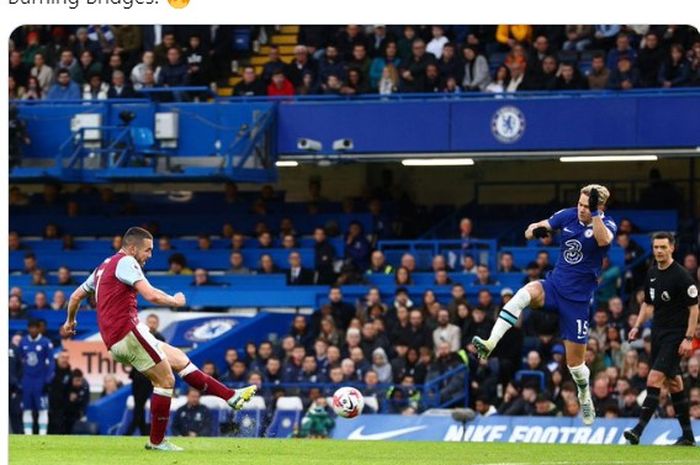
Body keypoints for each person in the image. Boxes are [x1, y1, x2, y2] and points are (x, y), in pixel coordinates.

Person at [63, 227, 256, 451]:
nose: (150, 255)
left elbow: (76, 296)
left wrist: (70, 321)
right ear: (132, 248)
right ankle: (157, 442)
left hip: (119, 336)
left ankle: (230, 396)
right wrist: (175, 301)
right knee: (165, 381)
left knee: (180, 359)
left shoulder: (102, 267)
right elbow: (151, 294)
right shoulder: (126, 262)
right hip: (127, 332)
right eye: (148, 250)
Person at [473, 184, 618, 426]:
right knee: (523, 294)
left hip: (578, 302)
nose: (581, 209)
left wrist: (594, 215)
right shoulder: (568, 214)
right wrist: (536, 231)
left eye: (587, 206)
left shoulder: (607, 223)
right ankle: (490, 342)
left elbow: (603, 240)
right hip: (553, 287)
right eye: (580, 204)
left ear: (599, 207)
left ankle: (584, 395)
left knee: (576, 366)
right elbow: (530, 230)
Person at [624, 232, 698, 446]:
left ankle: (638, 430)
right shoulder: (653, 273)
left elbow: (694, 310)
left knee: (654, 379)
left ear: (672, 248)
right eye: (656, 247)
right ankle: (687, 436)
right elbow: (647, 304)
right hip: (658, 333)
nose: (658, 251)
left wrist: (688, 338)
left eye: (663, 247)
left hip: (676, 336)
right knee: (674, 384)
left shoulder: (682, 276)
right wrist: (637, 326)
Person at [17, 319, 55, 434]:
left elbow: (51, 363)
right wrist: (20, 380)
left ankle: (42, 435)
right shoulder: (23, 342)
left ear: (39, 329)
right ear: (28, 329)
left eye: (35, 327)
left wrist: (48, 381)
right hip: (27, 380)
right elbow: (19, 362)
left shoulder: (46, 343)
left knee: (42, 409)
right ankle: (28, 435)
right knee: (26, 408)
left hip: (40, 380)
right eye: (31, 327)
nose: (33, 330)